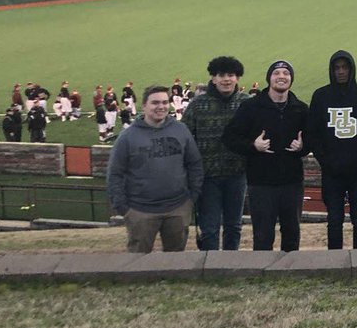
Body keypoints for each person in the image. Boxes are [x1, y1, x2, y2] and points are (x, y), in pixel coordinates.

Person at [223, 60, 310, 252]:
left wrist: (303, 147)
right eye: (276, 73)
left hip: (292, 182)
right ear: (269, 78)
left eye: (286, 73)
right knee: (262, 236)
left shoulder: (301, 109)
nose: (281, 77)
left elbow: (313, 139)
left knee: (292, 233)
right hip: (261, 182)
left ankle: (289, 273)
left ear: (291, 79)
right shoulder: (251, 107)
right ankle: (261, 275)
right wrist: (253, 145)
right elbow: (229, 137)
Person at [106, 85, 204, 254]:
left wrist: (191, 197)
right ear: (144, 106)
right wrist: (123, 207)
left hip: (178, 207)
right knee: (137, 259)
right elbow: (115, 173)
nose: (161, 106)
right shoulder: (128, 137)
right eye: (155, 102)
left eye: (165, 102)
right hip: (140, 210)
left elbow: (194, 163)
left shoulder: (180, 130)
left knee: (175, 257)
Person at [307, 50, 357, 250]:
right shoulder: (321, 96)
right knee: (334, 219)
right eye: (337, 68)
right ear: (331, 70)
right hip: (332, 170)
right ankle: (334, 260)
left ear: (351, 69)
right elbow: (312, 133)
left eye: (345, 67)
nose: (341, 71)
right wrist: (325, 160)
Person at [181, 55, 250, 251]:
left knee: (233, 225)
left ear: (237, 78)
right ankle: (209, 266)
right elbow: (185, 138)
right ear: (213, 78)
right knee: (209, 227)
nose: (226, 79)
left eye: (231, 75)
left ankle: (230, 265)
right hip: (207, 177)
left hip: (237, 174)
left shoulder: (247, 103)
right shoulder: (197, 105)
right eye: (221, 75)